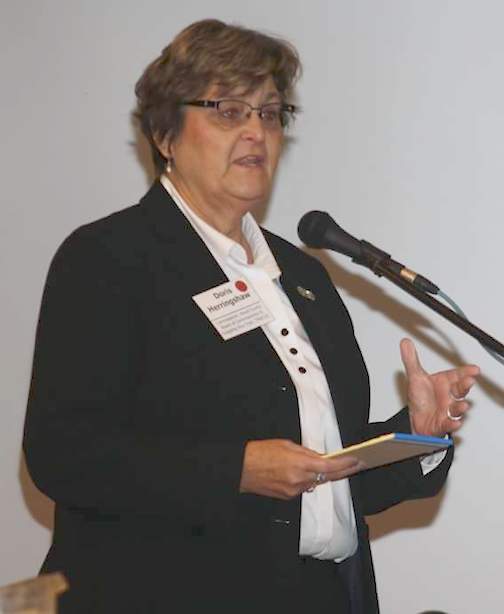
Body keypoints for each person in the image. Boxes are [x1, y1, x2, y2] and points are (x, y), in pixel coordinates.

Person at [23, 19, 479, 614]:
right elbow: (63, 453)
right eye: (228, 111)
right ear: (164, 133)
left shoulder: (303, 275)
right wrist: (234, 469)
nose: (256, 132)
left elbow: (330, 480)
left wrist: (416, 433)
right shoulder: (110, 258)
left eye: (270, 113)